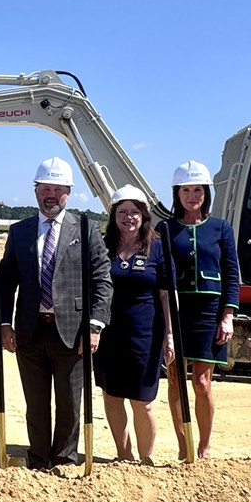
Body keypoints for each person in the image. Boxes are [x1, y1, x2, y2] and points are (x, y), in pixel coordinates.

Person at [0, 157, 112, 471]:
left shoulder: (86, 229)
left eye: (57, 189)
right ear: (36, 191)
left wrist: (95, 326)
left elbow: (102, 278)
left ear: (68, 192)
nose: (51, 194)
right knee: (35, 405)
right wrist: (5, 322)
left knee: (69, 404)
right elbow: (7, 280)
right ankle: (37, 462)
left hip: (73, 332)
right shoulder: (20, 232)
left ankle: (64, 461)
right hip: (30, 332)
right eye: (45, 188)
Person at [163, 160, 240, 460]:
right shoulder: (165, 228)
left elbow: (232, 273)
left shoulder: (221, 228)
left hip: (209, 311)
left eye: (197, 189)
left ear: (206, 192)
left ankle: (204, 446)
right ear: (177, 193)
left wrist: (228, 315)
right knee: (174, 379)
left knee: (202, 382)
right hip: (177, 310)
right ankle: (184, 447)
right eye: (186, 190)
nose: (192, 195)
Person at [94, 185, 171, 463]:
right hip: (109, 334)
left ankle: (146, 459)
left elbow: (166, 294)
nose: (129, 218)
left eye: (134, 212)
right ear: (114, 215)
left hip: (145, 335)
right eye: (122, 212)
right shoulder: (103, 245)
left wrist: (170, 336)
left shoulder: (159, 246)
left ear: (143, 215)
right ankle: (123, 456)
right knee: (112, 396)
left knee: (143, 401)